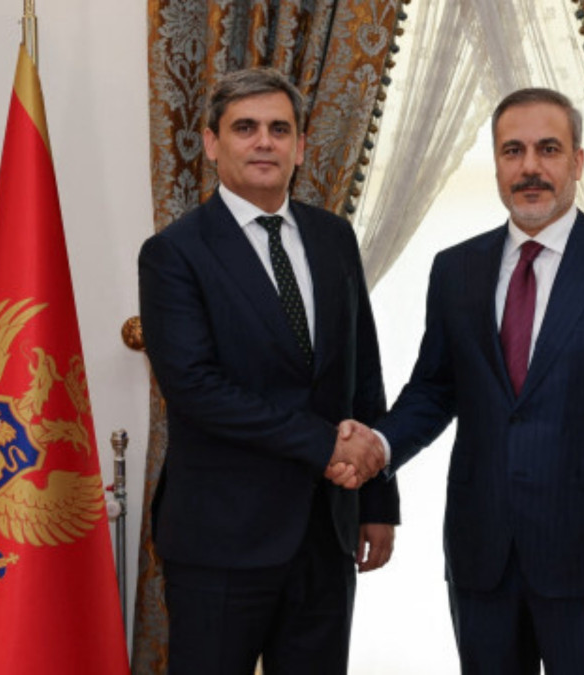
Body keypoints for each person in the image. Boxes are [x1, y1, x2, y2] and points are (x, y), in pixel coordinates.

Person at [336, 87, 584, 674]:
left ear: (577, 161)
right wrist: (379, 444)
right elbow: (434, 390)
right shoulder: (456, 269)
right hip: (482, 552)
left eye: (548, 149)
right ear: (498, 163)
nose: (530, 167)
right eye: (513, 151)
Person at [138, 67, 398, 675]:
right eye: (245, 128)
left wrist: (378, 498)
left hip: (326, 534)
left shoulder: (334, 238)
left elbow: (363, 372)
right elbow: (195, 388)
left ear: (300, 146)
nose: (264, 142)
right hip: (220, 539)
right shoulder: (174, 253)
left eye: (279, 130)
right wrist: (325, 444)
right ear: (211, 143)